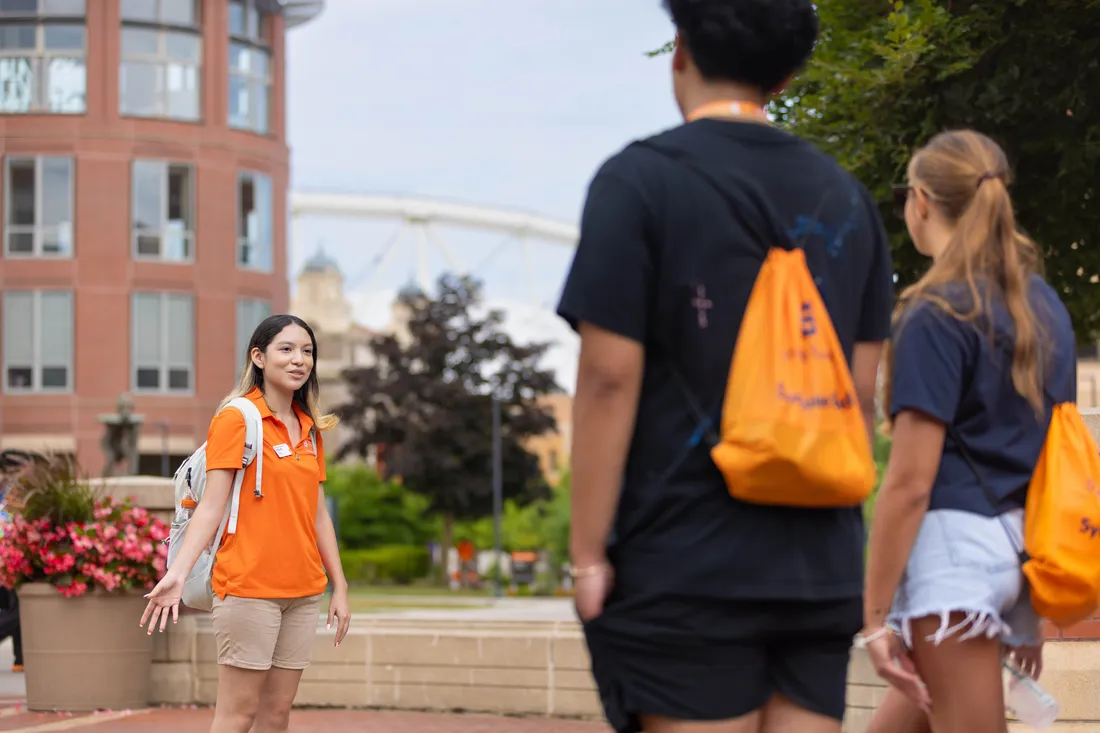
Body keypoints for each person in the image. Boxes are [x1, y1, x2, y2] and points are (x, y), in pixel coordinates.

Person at [556, 1, 896, 731]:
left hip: (686, 555)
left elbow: (609, 378)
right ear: (788, 73)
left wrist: (587, 553)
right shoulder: (849, 198)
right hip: (818, 556)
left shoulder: (638, 181)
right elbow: (859, 391)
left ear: (681, 49)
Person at [862, 129, 1075, 733]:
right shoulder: (1043, 306)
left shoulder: (935, 312)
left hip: (953, 556)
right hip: (1018, 546)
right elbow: (1048, 457)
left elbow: (907, 482)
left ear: (921, 201)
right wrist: (1028, 610)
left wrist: (876, 617)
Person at [140, 314, 351, 733]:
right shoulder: (237, 418)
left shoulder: (309, 428)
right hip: (248, 588)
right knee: (237, 715)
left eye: (307, 351)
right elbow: (212, 507)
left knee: (277, 716)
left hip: (304, 590)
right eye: (286, 350)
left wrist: (340, 586)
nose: (299, 360)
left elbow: (317, 513)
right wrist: (177, 574)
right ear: (258, 356)